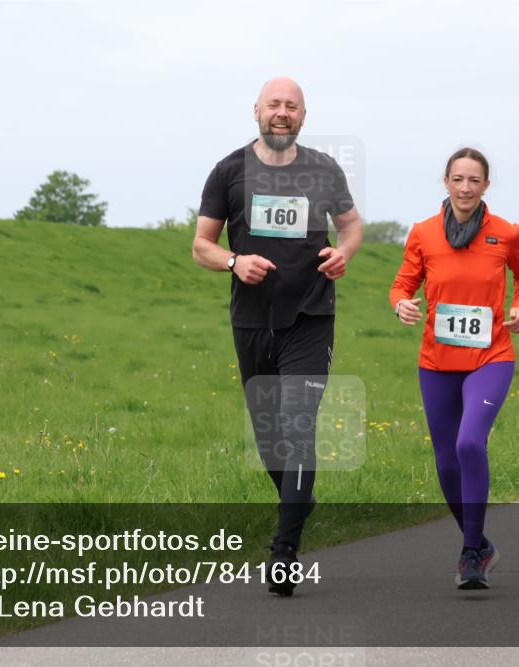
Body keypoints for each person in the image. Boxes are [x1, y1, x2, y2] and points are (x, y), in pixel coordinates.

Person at [192, 76, 363, 596]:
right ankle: (298, 498)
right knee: (270, 440)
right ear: (257, 112)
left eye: (292, 106)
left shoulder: (323, 169)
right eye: (274, 104)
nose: (282, 112)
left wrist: (344, 252)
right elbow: (202, 244)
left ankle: (285, 549)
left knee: (297, 426)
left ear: (304, 116)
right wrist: (234, 261)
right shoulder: (229, 171)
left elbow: (351, 226)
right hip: (252, 320)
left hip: (311, 317)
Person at [390, 147, 519, 589]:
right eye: (458, 179)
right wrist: (401, 305)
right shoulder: (424, 233)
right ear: (447, 183)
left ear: (486, 185)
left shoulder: (506, 233)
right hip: (437, 361)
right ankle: (480, 542)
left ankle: (471, 552)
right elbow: (402, 283)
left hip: (491, 356)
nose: (466, 188)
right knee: (446, 462)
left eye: (474, 180)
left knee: (470, 443)